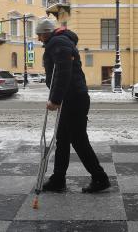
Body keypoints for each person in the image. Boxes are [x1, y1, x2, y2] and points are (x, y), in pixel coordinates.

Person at [36, 18, 110, 193]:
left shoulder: (57, 43)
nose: (38, 38)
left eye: (39, 34)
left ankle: (100, 178)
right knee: (62, 140)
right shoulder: (59, 41)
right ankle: (58, 179)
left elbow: (63, 72)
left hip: (73, 99)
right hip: (72, 98)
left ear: (46, 32)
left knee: (78, 140)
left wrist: (55, 100)